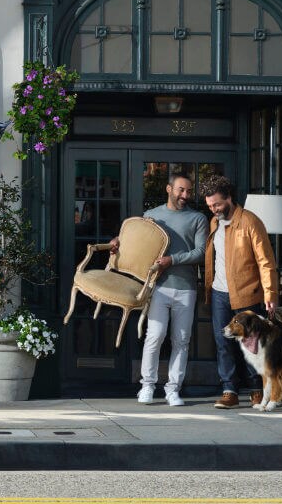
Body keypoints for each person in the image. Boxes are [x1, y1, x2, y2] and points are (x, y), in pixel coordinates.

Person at [111, 171, 206, 406]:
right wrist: (116, 242)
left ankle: (173, 390)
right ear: (169, 189)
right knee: (155, 336)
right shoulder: (152, 216)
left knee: (181, 340)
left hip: (185, 288)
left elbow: (201, 252)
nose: (185, 195)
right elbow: (136, 240)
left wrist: (171, 260)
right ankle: (147, 387)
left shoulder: (197, 219)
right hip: (157, 287)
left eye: (188, 191)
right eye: (181, 190)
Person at [199, 176, 279, 409]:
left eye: (217, 205)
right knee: (222, 342)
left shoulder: (250, 222)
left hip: (247, 293)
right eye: (210, 206)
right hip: (219, 293)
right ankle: (229, 390)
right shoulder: (215, 223)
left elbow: (266, 261)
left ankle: (256, 389)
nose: (213, 210)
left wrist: (270, 294)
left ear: (229, 198)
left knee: (251, 343)